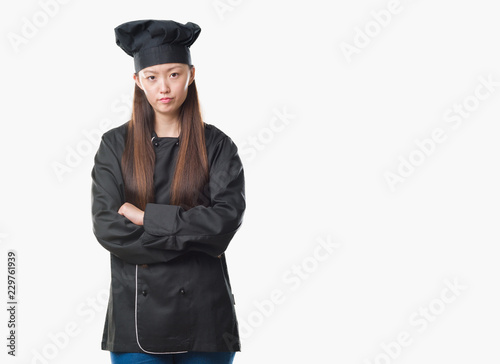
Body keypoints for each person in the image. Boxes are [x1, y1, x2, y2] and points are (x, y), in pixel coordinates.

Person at [91, 19, 246, 364]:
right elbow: (108, 227)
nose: (164, 87)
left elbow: (225, 220)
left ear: (191, 74)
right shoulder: (114, 145)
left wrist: (146, 218)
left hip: (208, 320)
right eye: (152, 77)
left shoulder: (218, 146)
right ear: (138, 81)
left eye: (174, 74)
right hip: (135, 318)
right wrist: (195, 241)